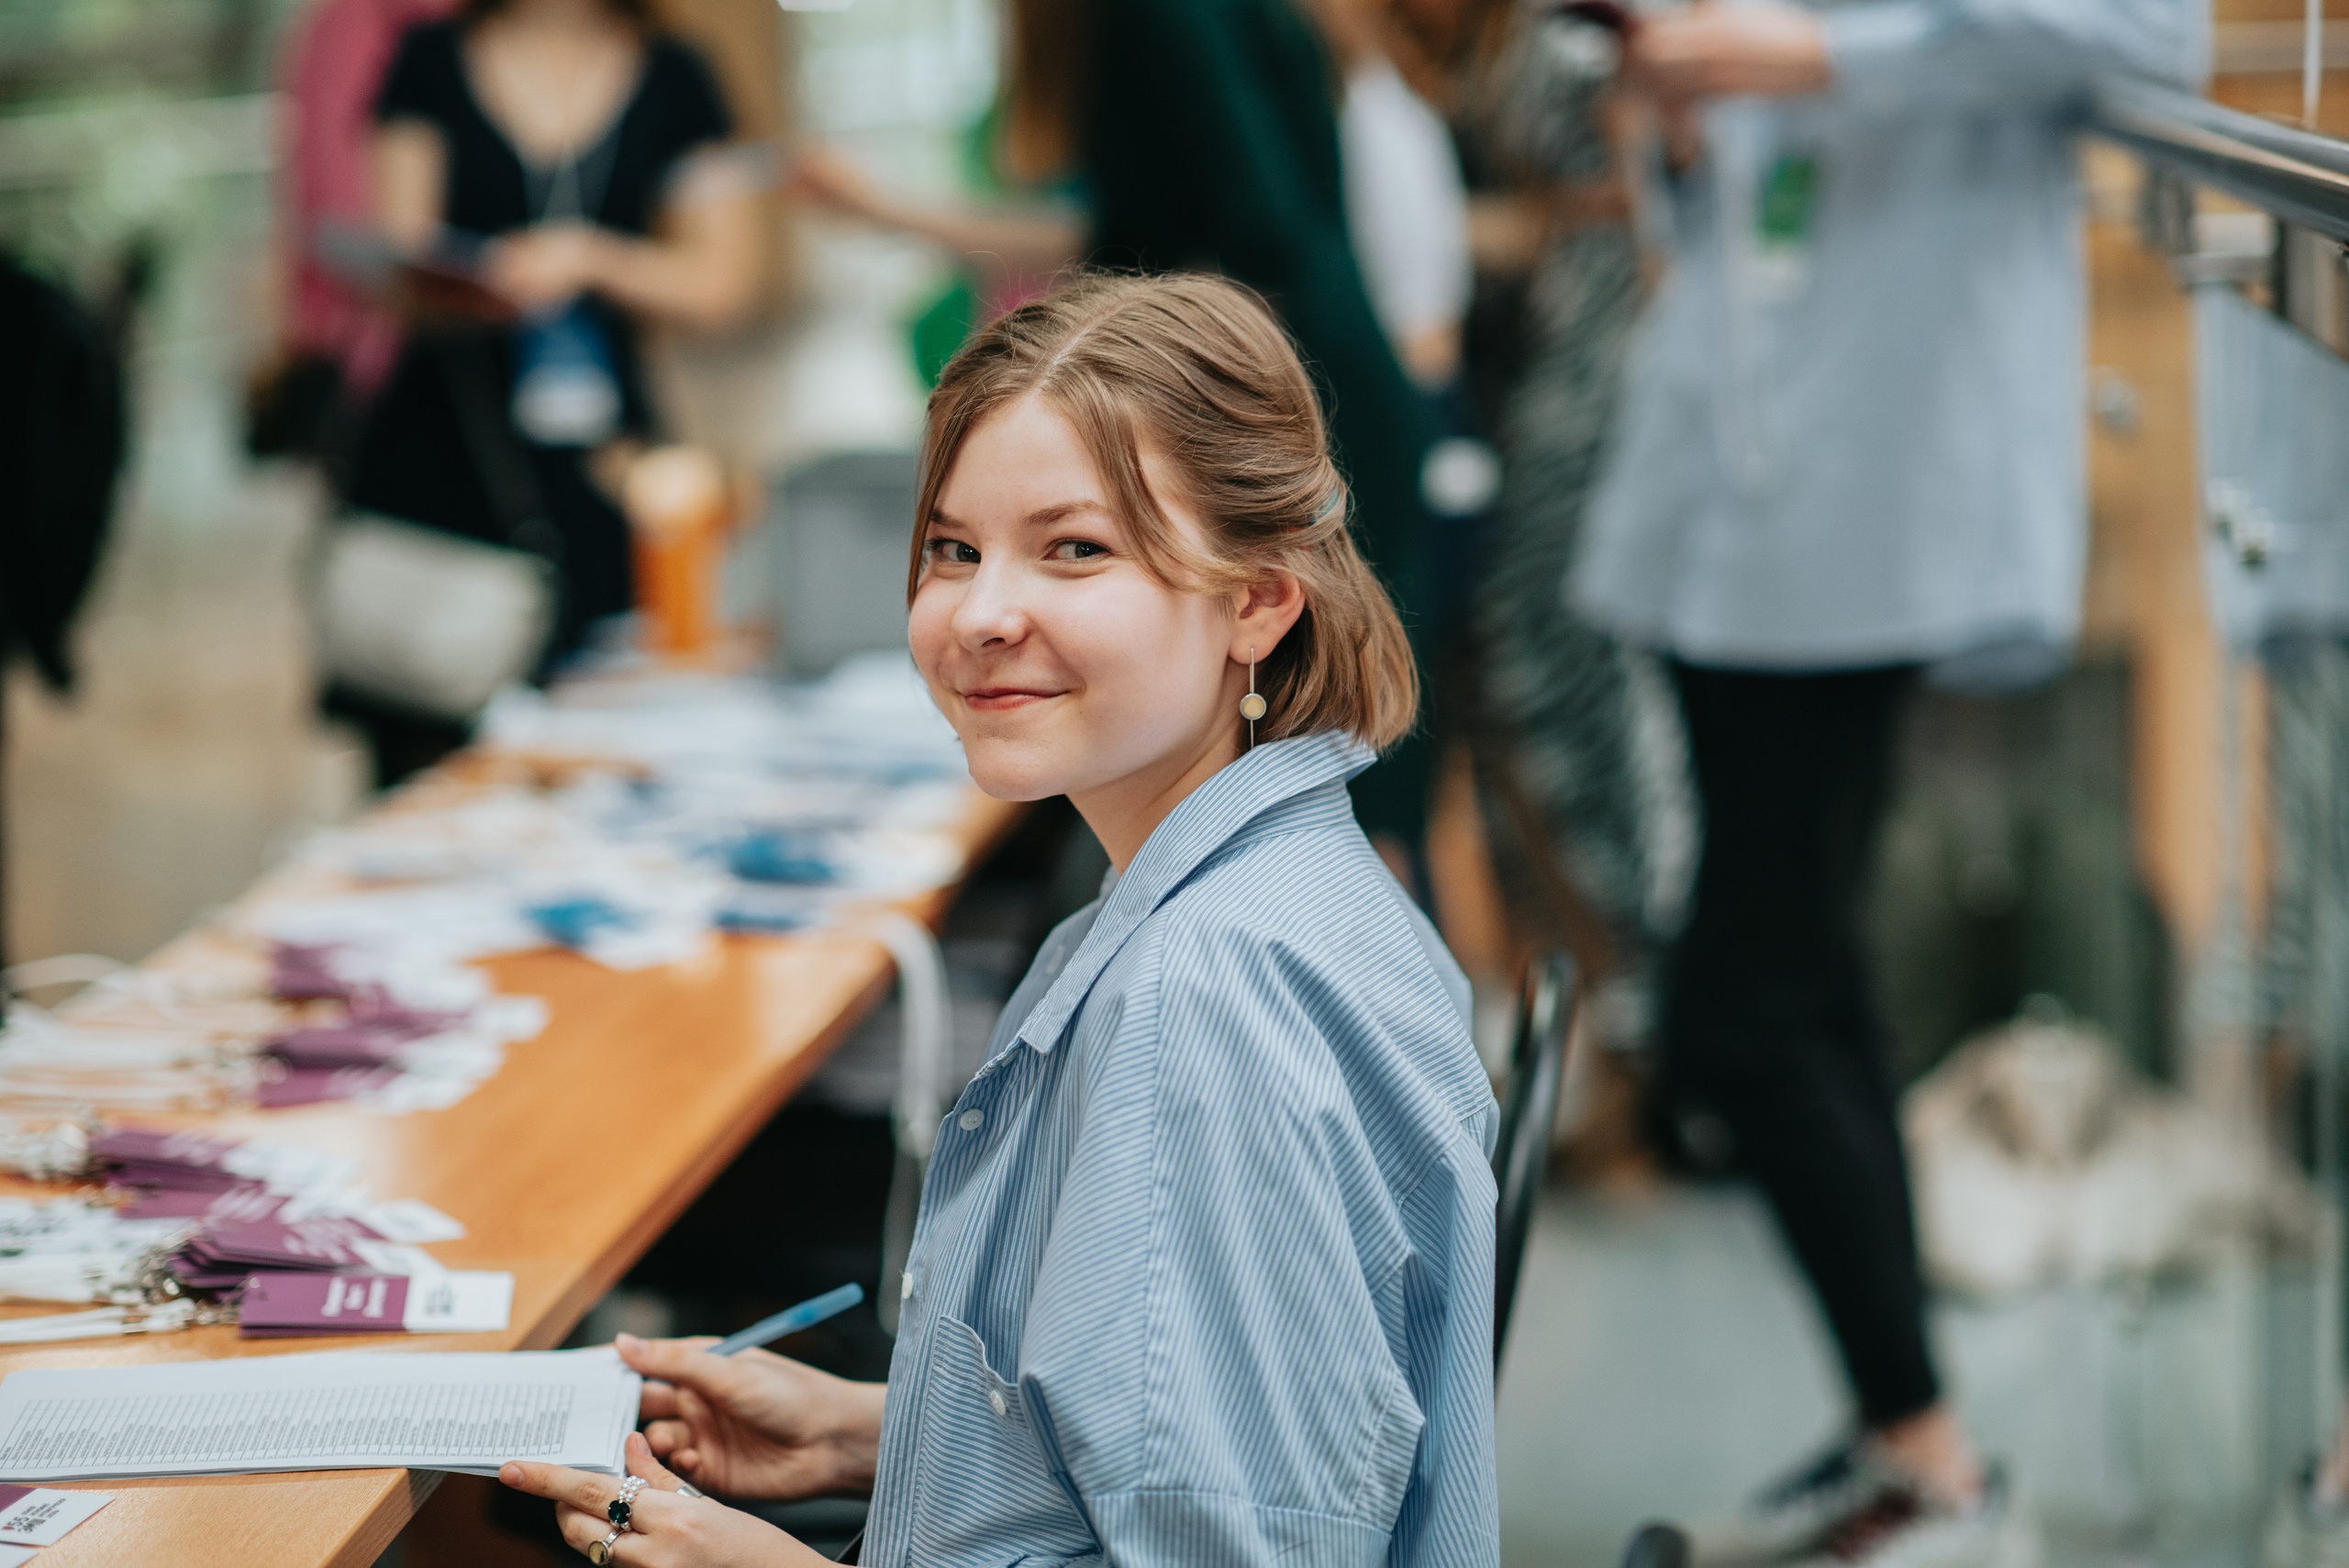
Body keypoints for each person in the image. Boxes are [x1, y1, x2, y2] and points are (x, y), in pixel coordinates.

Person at [497, 272, 1502, 1566]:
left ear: (1257, 599)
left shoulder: (1201, 999)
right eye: (954, 550)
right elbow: (1196, 1439)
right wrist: (881, 1432)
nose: (979, 614)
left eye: (1075, 549)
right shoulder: (1284, 879)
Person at [1567, 0, 2205, 1562]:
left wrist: (1814, 57)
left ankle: (1931, 1459)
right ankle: (1915, 1449)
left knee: (1742, 1013)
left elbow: (2147, 40)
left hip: (1860, 501)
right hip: (1748, 489)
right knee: (1809, 977)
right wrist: (1688, 102)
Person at [339, 0, 759, 784]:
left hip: (607, 458)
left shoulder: (677, 72)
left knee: (615, 739)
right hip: (446, 449)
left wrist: (592, 260)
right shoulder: (428, 59)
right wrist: (480, 283)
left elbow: (724, 283)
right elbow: (400, 256)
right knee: (424, 745)